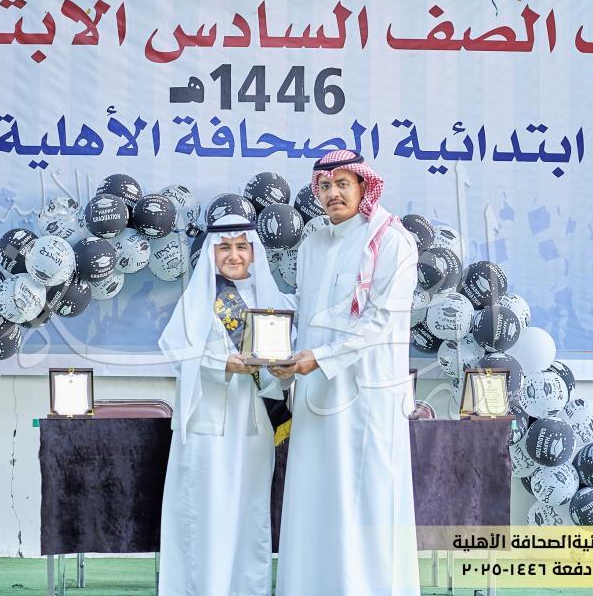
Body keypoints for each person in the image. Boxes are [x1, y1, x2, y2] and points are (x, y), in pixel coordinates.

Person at [270, 150, 421, 595]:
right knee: (315, 499)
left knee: (366, 502)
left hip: (367, 398)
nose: (333, 193)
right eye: (325, 185)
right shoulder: (313, 243)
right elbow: (306, 314)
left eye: (342, 184)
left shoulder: (392, 242)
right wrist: (278, 351)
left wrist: (319, 358)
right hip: (315, 395)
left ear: (363, 186)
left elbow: (381, 322)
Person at [157, 214, 289, 596]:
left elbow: (288, 360)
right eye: (225, 247)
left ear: (253, 252)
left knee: (250, 514)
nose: (234, 255)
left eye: (242, 247)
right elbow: (176, 351)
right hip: (207, 426)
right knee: (205, 512)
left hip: (255, 428)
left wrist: (284, 371)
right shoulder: (198, 297)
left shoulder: (270, 300)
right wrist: (223, 364)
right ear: (212, 253)